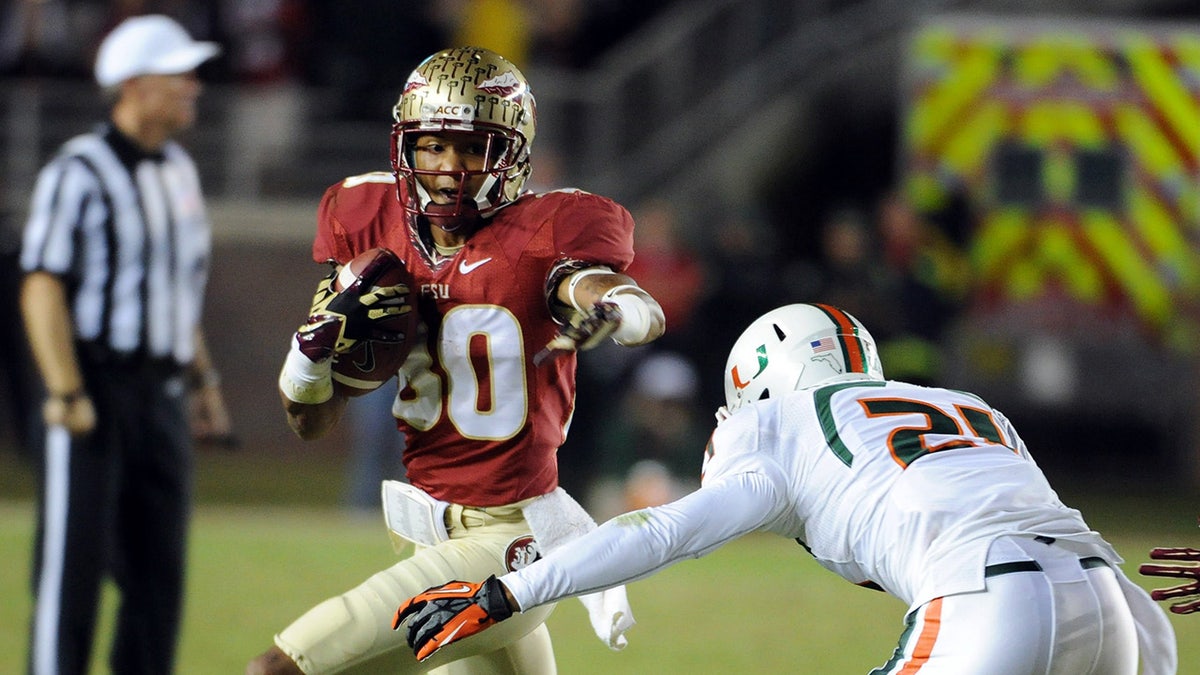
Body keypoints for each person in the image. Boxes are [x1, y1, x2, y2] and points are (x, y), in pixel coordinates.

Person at [395, 303, 1178, 675]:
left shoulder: (778, 424)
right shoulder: (969, 407)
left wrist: (508, 591)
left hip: (989, 596)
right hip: (1120, 609)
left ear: (763, 383)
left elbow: (659, 533)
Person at [249, 46, 665, 674]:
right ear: (404, 146)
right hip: (428, 528)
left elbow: (615, 296)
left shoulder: (542, 235)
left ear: (512, 152)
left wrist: (618, 309)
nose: (449, 168)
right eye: (433, 146)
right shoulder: (370, 228)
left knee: (279, 669)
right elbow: (310, 420)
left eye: (473, 148)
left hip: (512, 538)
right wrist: (306, 361)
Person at [18, 14, 231, 675]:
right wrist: (64, 390)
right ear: (135, 84)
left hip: (161, 390)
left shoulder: (178, 171)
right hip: (95, 386)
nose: (193, 87)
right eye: (179, 75)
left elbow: (177, 291)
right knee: (72, 567)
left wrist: (202, 382)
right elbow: (42, 287)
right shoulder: (78, 171)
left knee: (158, 576)